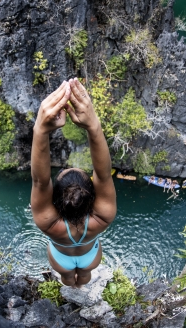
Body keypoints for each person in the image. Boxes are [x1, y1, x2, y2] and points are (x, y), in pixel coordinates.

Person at [31, 79, 116, 288]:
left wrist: (40, 129)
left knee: (66, 277)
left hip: (62, 259)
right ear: (92, 196)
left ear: (54, 199)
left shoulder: (49, 223)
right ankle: (81, 286)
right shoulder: (103, 217)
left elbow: (41, 181)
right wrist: (93, 125)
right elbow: (103, 175)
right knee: (85, 274)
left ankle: (71, 285)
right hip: (90, 256)